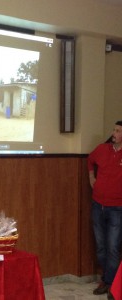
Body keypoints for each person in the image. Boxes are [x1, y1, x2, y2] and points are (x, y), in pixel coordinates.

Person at [88, 120, 122, 300]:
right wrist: (91, 177)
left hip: (117, 208)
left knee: (113, 248)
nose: (114, 133)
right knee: (101, 247)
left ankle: (113, 285)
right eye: (114, 130)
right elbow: (90, 160)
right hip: (98, 205)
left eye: (118, 131)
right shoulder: (102, 149)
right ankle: (105, 280)